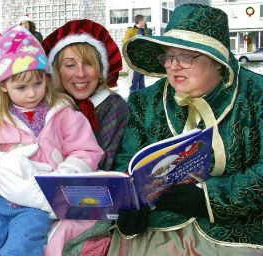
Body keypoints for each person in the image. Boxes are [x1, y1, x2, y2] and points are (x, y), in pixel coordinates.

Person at [67, 4, 263, 255]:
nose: (173, 66)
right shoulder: (145, 101)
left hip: (236, 230)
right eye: (168, 56)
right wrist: (128, 204)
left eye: (185, 56)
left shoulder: (256, 96)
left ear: (217, 62)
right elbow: (128, 159)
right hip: (155, 226)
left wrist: (210, 198)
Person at [0, 25, 103, 255]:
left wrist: (66, 172)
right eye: (21, 87)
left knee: (23, 243)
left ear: (46, 78)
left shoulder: (62, 112)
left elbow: (85, 150)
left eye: (38, 83)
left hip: (37, 201)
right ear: (3, 85)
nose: (32, 93)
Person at [39, 19, 129, 256]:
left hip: (89, 200)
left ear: (101, 69)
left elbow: (103, 167)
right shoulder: (47, 107)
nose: (80, 74)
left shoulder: (112, 106)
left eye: (88, 64)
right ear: (56, 70)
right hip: (40, 194)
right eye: (70, 65)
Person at [122, 14, 149, 94]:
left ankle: (142, 96)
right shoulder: (130, 31)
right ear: (140, 21)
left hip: (142, 58)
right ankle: (132, 96)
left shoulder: (145, 31)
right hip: (134, 58)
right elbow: (125, 44)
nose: (145, 22)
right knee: (134, 78)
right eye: (144, 20)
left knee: (141, 78)